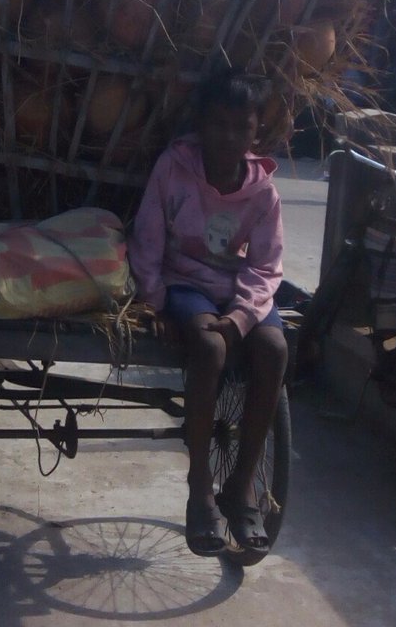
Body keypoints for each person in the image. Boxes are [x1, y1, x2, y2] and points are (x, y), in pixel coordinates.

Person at [128, 68, 287, 557]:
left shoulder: (262, 190)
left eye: (242, 127)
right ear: (200, 125)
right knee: (207, 343)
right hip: (185, 281)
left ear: (255, 131)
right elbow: (149, 237)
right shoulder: (175, 168)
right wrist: (151, 300)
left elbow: (267, 265)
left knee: (274, 347)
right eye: (219, 125)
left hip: (239, 288)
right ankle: (200, 488)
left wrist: (242, 315)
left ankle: (240, 489)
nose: (230, 137)